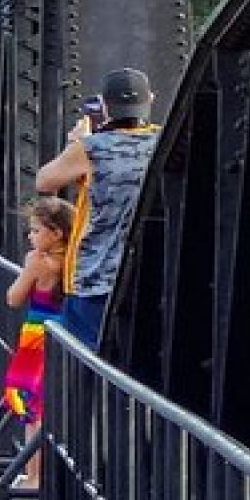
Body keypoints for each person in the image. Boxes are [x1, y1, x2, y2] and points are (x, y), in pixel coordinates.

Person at [35, 68, 161, 350]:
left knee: (88, 369)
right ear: (150, 99)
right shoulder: (166, 142)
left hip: (96, 278)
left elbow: (45, 181)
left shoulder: (91, 148)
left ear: (104, 105)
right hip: (154, 278)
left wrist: (76, 142)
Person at [2, 196, 75, 489]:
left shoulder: (38, 262)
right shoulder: (71, 262)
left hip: (36, 336)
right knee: (53, 405)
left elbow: (14, 297)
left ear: (55, 233)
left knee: (31, 407)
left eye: (35, 230)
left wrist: (26, 270)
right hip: (64, 335)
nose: (30, 236)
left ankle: (35, 476)